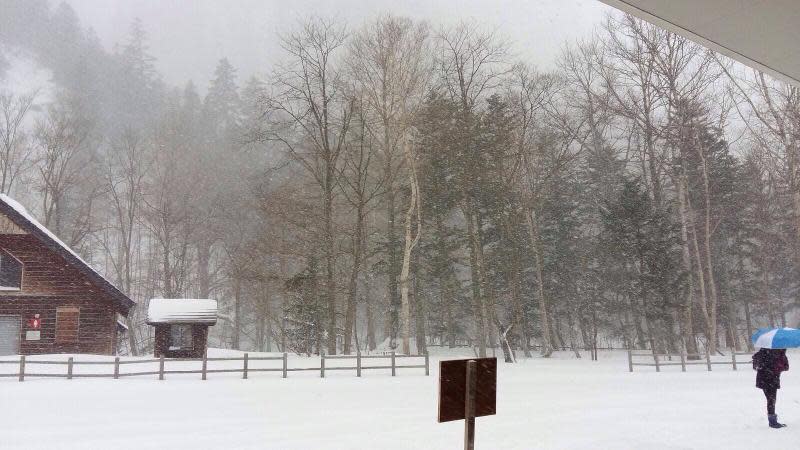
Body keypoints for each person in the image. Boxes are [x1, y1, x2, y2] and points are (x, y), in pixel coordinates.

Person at [753, 348, 789, 428]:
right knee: (771, 400)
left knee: (771, 400)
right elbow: (786, 367)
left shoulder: (763, 352)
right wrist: (776, 367)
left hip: (765, 380)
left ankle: (772, 420)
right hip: (770, 380)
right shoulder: (779, 353)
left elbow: (786, 367)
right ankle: (772, 422)